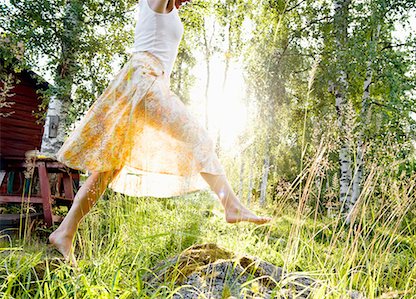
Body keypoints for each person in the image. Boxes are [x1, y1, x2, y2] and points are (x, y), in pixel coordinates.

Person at [49, 0, 271, 265]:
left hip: (147, 82)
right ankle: (231, 205)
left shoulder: (169, 9)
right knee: (197, 137)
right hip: (145, 80)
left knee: (109, 168)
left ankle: (64, 232)